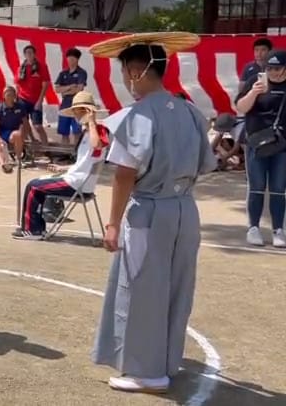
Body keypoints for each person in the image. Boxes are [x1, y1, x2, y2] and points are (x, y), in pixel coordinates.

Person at [89, 32, 215, 394]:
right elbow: (205, 163)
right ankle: (166, 360)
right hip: (185, 210)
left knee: (143, 287)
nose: (127, 80)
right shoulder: (190, 111)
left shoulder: (137, 115)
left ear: (138, 70)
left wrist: (112, 223)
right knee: (176, 285)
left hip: (150, 209)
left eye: (128, 71)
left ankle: (147, 371)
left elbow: (125, 174)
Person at [11, 91, 109, 240]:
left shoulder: (99, 131)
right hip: (79, 181)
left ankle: (32, 230)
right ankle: (37, 227)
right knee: (40, 181)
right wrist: (62, 169)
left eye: (78, 113)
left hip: (77, 184)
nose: (76, 117)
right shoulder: (88, 133)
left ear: (88, 112)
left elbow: (97, 145)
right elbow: (84, 164)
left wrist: (91, 122)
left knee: (33, 186)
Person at [235, 49, 286, 248]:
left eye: (278, 68)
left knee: (278, 188)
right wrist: (254, 92)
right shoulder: (255, 82)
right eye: (270, 68)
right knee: (256, 186)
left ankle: (278, 229)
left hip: (282, 145)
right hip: (256, 142)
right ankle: (253, 228)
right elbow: (241, 107)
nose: (273, 72)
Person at [16, 44, 50, 144]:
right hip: (22, 99)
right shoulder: (21, 68)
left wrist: (40, 100)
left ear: (34, 54)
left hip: (35, 100)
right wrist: (17, 99)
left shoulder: (41, 67)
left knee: (38, 126)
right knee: (24, 124)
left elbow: (45, 84)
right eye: (27, 53)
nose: (29, 54)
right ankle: (31, 141)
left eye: (31, 52)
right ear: (24, 55)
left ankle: (46, 147)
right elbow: (18, 84)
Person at [54, 48, 88, 144]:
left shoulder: (81, 72)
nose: (70, 61)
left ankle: (75, 154)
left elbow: (79, 89)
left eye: (73, 59)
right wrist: (69, 87)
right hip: (65, 104)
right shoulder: (63, 73)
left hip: (77, 104)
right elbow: (56, 89)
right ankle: (65, 154)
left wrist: (64, 91)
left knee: (77, 131)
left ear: (77, 59)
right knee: (64, 132)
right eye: (69, 59)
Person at [0, 86, 26, 173]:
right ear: (4, 96)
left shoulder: (20, 107)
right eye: (7, 94)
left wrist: (24, 134)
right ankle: (3, 165)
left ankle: (18, 160)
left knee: (18, 134)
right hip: (0, 133)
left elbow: (24, 122)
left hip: (12, 133)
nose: (9, 95)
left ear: (15, 95)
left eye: (11, 93)